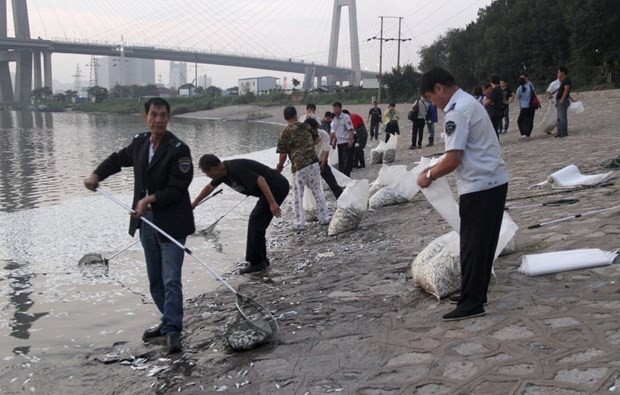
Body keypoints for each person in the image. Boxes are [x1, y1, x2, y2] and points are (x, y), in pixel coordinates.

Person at [83, 97, 195, 354]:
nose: (158, 119)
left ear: (169, 118)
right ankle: (168, 321)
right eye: (153, 114)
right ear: (145, 116)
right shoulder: (140, 143)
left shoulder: (179, 149)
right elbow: (116, 159)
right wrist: (96, 175)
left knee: (170, 278)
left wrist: (149, 199)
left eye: (163, 115)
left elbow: (178, 189)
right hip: (145, 222)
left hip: (172, 223)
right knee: (155, 280)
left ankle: (173, 332)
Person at [416, 68, 510, 321]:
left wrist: (430, 176)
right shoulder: (470, 101)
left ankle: (472, 303)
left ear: (439, 88)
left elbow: (453, 159)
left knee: (472, 246)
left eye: (430, 97)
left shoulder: (457, 110)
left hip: (480, 185)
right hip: (493, 180)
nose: (432, 103)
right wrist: (434, 166)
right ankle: (475, 292)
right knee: (482, 244)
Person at [192, 155, 289, 274]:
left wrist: (272, 203)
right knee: (256, 223)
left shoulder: (235, 168)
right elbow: (209, 187)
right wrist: (194, 203)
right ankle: (260, 260)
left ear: (213, 169)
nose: (207, 176)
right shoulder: (222, 173)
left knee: (256, 221)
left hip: (277, 187)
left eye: (206, 173)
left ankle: (258, 262)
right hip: (272, 189)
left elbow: (260, 180)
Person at [276, 106, 330, 229]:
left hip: (298, 167)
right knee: (318, 191)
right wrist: (306, 146)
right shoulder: (305, 126)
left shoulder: (284, 133)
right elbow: (317, 138)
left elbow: (283, 155)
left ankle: (300, 223)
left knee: (297, 196)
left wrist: (279, 167)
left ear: (285, 118)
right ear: (295, 115)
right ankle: (324, 217)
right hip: (313, 163)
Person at [304, 117, 343, 198]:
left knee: (332, 183)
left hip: (322, 161)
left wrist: (323, 164)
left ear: (315, 127)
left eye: (311, 129)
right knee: (311, 186)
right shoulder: (305, 136)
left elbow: (326, 150)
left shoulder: (323, 134)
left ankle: (341, 199)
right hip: (310, 163)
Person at [330, 102, 355, 176]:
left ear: (340, 108)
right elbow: (335, 132)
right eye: (334, 108)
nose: (335, 110)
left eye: (336, 108)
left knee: (346, 162)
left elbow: (351, 129)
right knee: (341, 162)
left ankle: (346, 177)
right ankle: (342, 177)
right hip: (339, 142)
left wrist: (350, 140)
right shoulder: (335, 119)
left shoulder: (345, 117)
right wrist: (334, 142)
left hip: (345, 142)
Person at [515, 73, 536, 140]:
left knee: (520, 121)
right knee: (530, 121)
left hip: (524, 107)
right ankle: (528, 135)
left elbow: (517, 97)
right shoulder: (530, 86)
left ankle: (523, 134)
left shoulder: (519, 89)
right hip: (531, 106)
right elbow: (534, 93)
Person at [556, 66, 571, 138]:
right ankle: (559, 132)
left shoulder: (566, 80)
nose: (558, 74)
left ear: (563, 73)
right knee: (559, 117)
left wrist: (562, 99)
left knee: (562, 117)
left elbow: (566, 90)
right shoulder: (563, 81)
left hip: (562, 100)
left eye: (559, 72)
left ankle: (564, 132)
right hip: (559, 100)